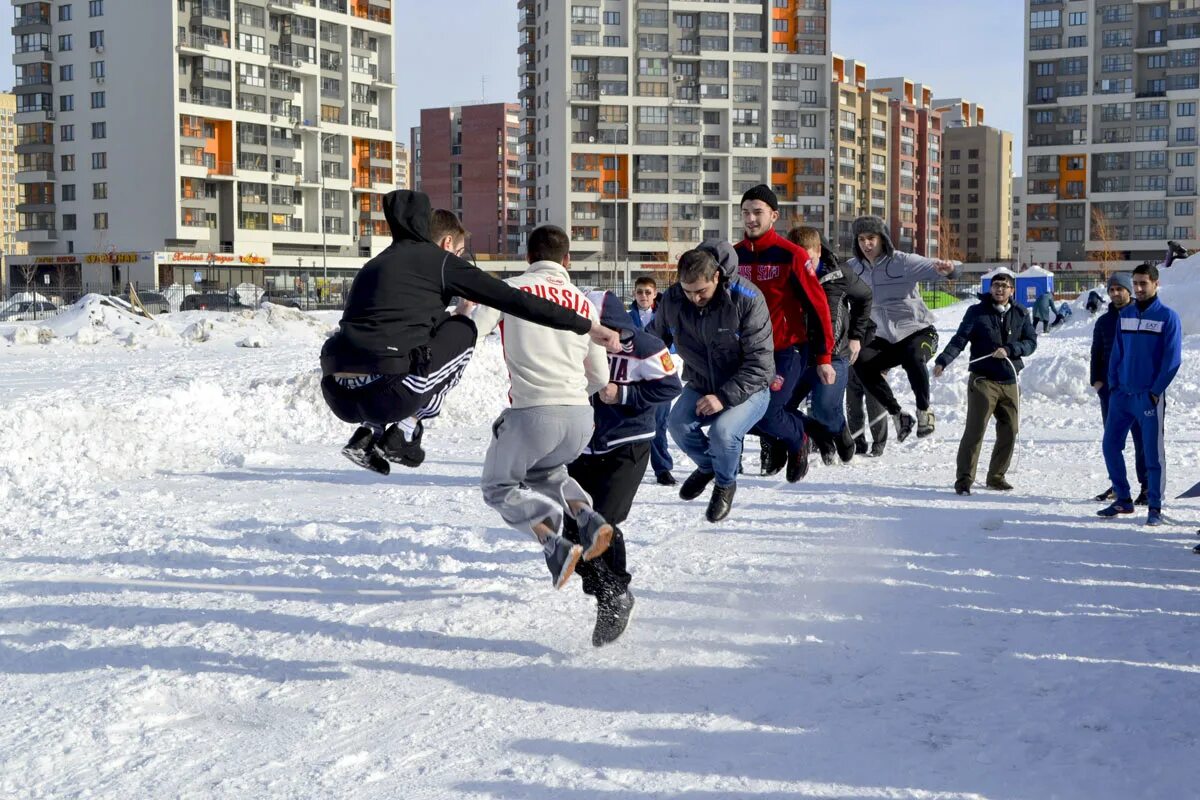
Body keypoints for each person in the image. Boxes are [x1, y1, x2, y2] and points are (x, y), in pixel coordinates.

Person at [320, 191, 619, 474]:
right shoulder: (439, 262)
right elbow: (516, 300)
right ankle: (405, 431)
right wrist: (588, 325)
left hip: (338, 392)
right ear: (447, 243)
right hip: (391, 392)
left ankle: (368, 435)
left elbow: (380, 331)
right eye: (460, 252)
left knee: (415, 341)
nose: (460, 259)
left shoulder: (374, 265)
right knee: (464, 330)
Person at [468, 225, 616, 603]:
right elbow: (600, 375)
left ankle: (554, 541)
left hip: (533, 413)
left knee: (498, 487)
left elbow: (472, 330)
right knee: (546, 471)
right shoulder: (584, 303)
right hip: (581, 420)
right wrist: (569, 397)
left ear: (528, 257)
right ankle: (586, 513)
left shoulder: (512, 289)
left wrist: (461, 311)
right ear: (567, 260)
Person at [562, 290, 682, 646]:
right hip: (581, 445)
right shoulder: (570, 344)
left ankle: (614, 598)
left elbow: (669, 387)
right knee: (569, 536)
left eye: (604, 331)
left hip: (627, 444)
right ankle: (611, 592)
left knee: (601, 524)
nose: (598, 339)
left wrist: (625, 395)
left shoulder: (646, 346)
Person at [648, 243, 773, 522]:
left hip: (749, 386)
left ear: (716, 276)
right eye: (687, 291)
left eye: (701, 291)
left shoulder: (747, 298)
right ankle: (708, 466)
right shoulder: (673, 299)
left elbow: (760, 363)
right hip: (702, 381)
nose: (694, 298)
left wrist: (723, 398)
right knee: (677, 424)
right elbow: (653, 340)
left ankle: (725, 483)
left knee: (723, 433)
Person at [733, 184, 835, 482]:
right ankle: (809, 429)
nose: (751, 219)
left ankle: (798, 441)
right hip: (747, 353)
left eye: (758, 212)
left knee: (767, 413)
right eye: (745, 213)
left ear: (774, 216)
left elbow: (819, 307)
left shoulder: (791, 255)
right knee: (732, 415)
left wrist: (824, 356)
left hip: (786, 349)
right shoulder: (733, 256)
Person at [847, 215, 957, 444]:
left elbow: (940, 268)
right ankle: (899, 415)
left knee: (912, 356)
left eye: (871, 238)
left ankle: (924, 411)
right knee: (860, 362)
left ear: (882, 239)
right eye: (861, 239)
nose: (866, 245)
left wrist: (949, 270)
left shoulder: (903, 262)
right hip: (884, 338)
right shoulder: (853, 268)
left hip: (918, 331)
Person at [932, 268, 1037, 495]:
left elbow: (1031, 342)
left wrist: (1010, 349)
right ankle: (964, 480)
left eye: (1004, 286)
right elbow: (959, 339)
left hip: (1009, 380)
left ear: (1012, 290)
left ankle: (996, 476)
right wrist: (943, 361)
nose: (999, 289)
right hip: (983, 380)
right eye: (996, 285)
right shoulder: (976, 312)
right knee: (975, 430)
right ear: (990, 289)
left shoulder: (1020, 313)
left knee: (1010, 429)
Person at [1097, 262, 1182, 526]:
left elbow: (1172, 360)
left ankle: (1155, 506)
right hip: (1121, 395)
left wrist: (1155, 392)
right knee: (1110, 446)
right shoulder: (1126, 315)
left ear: (1156, 284)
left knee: (1151, 455)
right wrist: (1113, 384)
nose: (1139, 288)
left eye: (1144, 283)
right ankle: (1123, 498)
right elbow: (1117, 354)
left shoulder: (1168, 317)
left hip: (1148, 396)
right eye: (1135, 283)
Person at [785, 225, 872, 465]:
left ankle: (840, 431)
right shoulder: (784, 275)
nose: (803, 266)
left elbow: (865, 297)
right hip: (797, 353)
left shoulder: (840, 275)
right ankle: (821, 436)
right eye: (797, 259)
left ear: (819, 252)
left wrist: (856, 336)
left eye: (809, 259)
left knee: (824, 408)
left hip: (834, 353)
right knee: (780, 408)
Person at [1090, 272, 1147, 505]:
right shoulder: (1104, 321)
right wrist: (1097, 380)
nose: (1115, 293)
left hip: (1139, 390)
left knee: (1143, 441)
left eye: (1119, 289)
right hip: (1111, 392)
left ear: (1129, 291)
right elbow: (1096, 352)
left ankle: (1147, 486)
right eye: (1111, 290)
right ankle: (1117, 485)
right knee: (1112, 442)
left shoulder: (1141, 315)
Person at [629, 275, 676, 486]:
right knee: (632, 424)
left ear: (655, 294)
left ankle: (662, 468)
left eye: (648, 292)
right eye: (639, 292)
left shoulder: (666, 316)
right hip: (635, 376)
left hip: (660, 374)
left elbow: (677, 342)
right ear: (634, 294)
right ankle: (630, 469)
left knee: (659, 423)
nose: (644, 296)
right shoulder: (627, 317)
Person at [845, 368, 889, 457]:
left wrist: (884, 370)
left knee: (876, 409)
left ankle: (878, 445)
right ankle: (858, 443)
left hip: (873, 368)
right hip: (851, 369)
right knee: (853, 409)